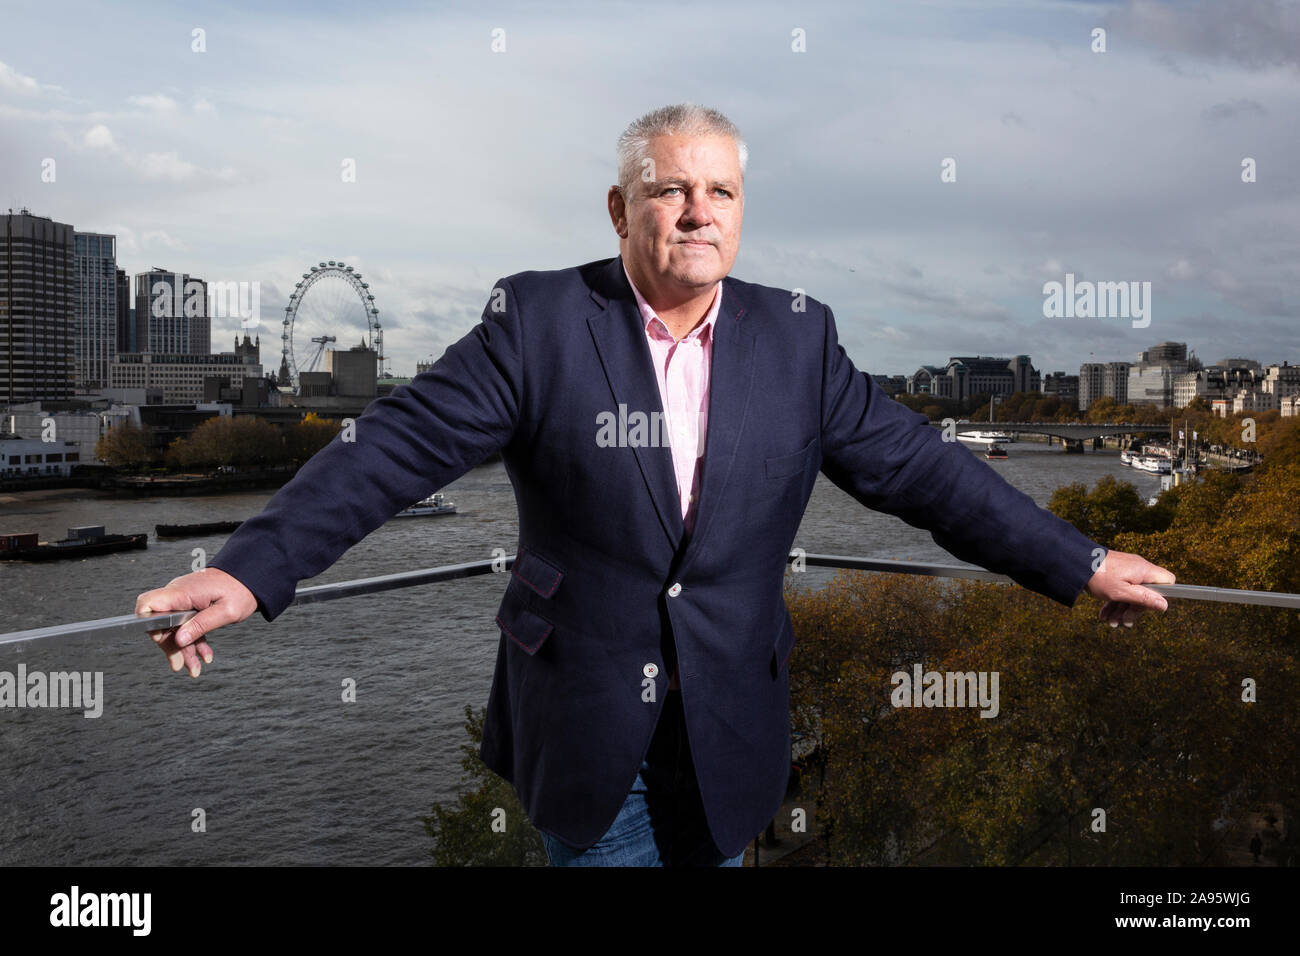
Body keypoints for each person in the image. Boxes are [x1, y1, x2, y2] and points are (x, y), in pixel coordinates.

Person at [135, 103, 1175, 867]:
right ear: (619, 205)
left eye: (719, 190)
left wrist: (1079, 559)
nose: (695, 210)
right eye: (669, 188)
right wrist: (249, 570)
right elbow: (393, 446)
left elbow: (923, 469)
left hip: (730, 721)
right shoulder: (537, 320)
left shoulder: (797, 336)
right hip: (588, 723)